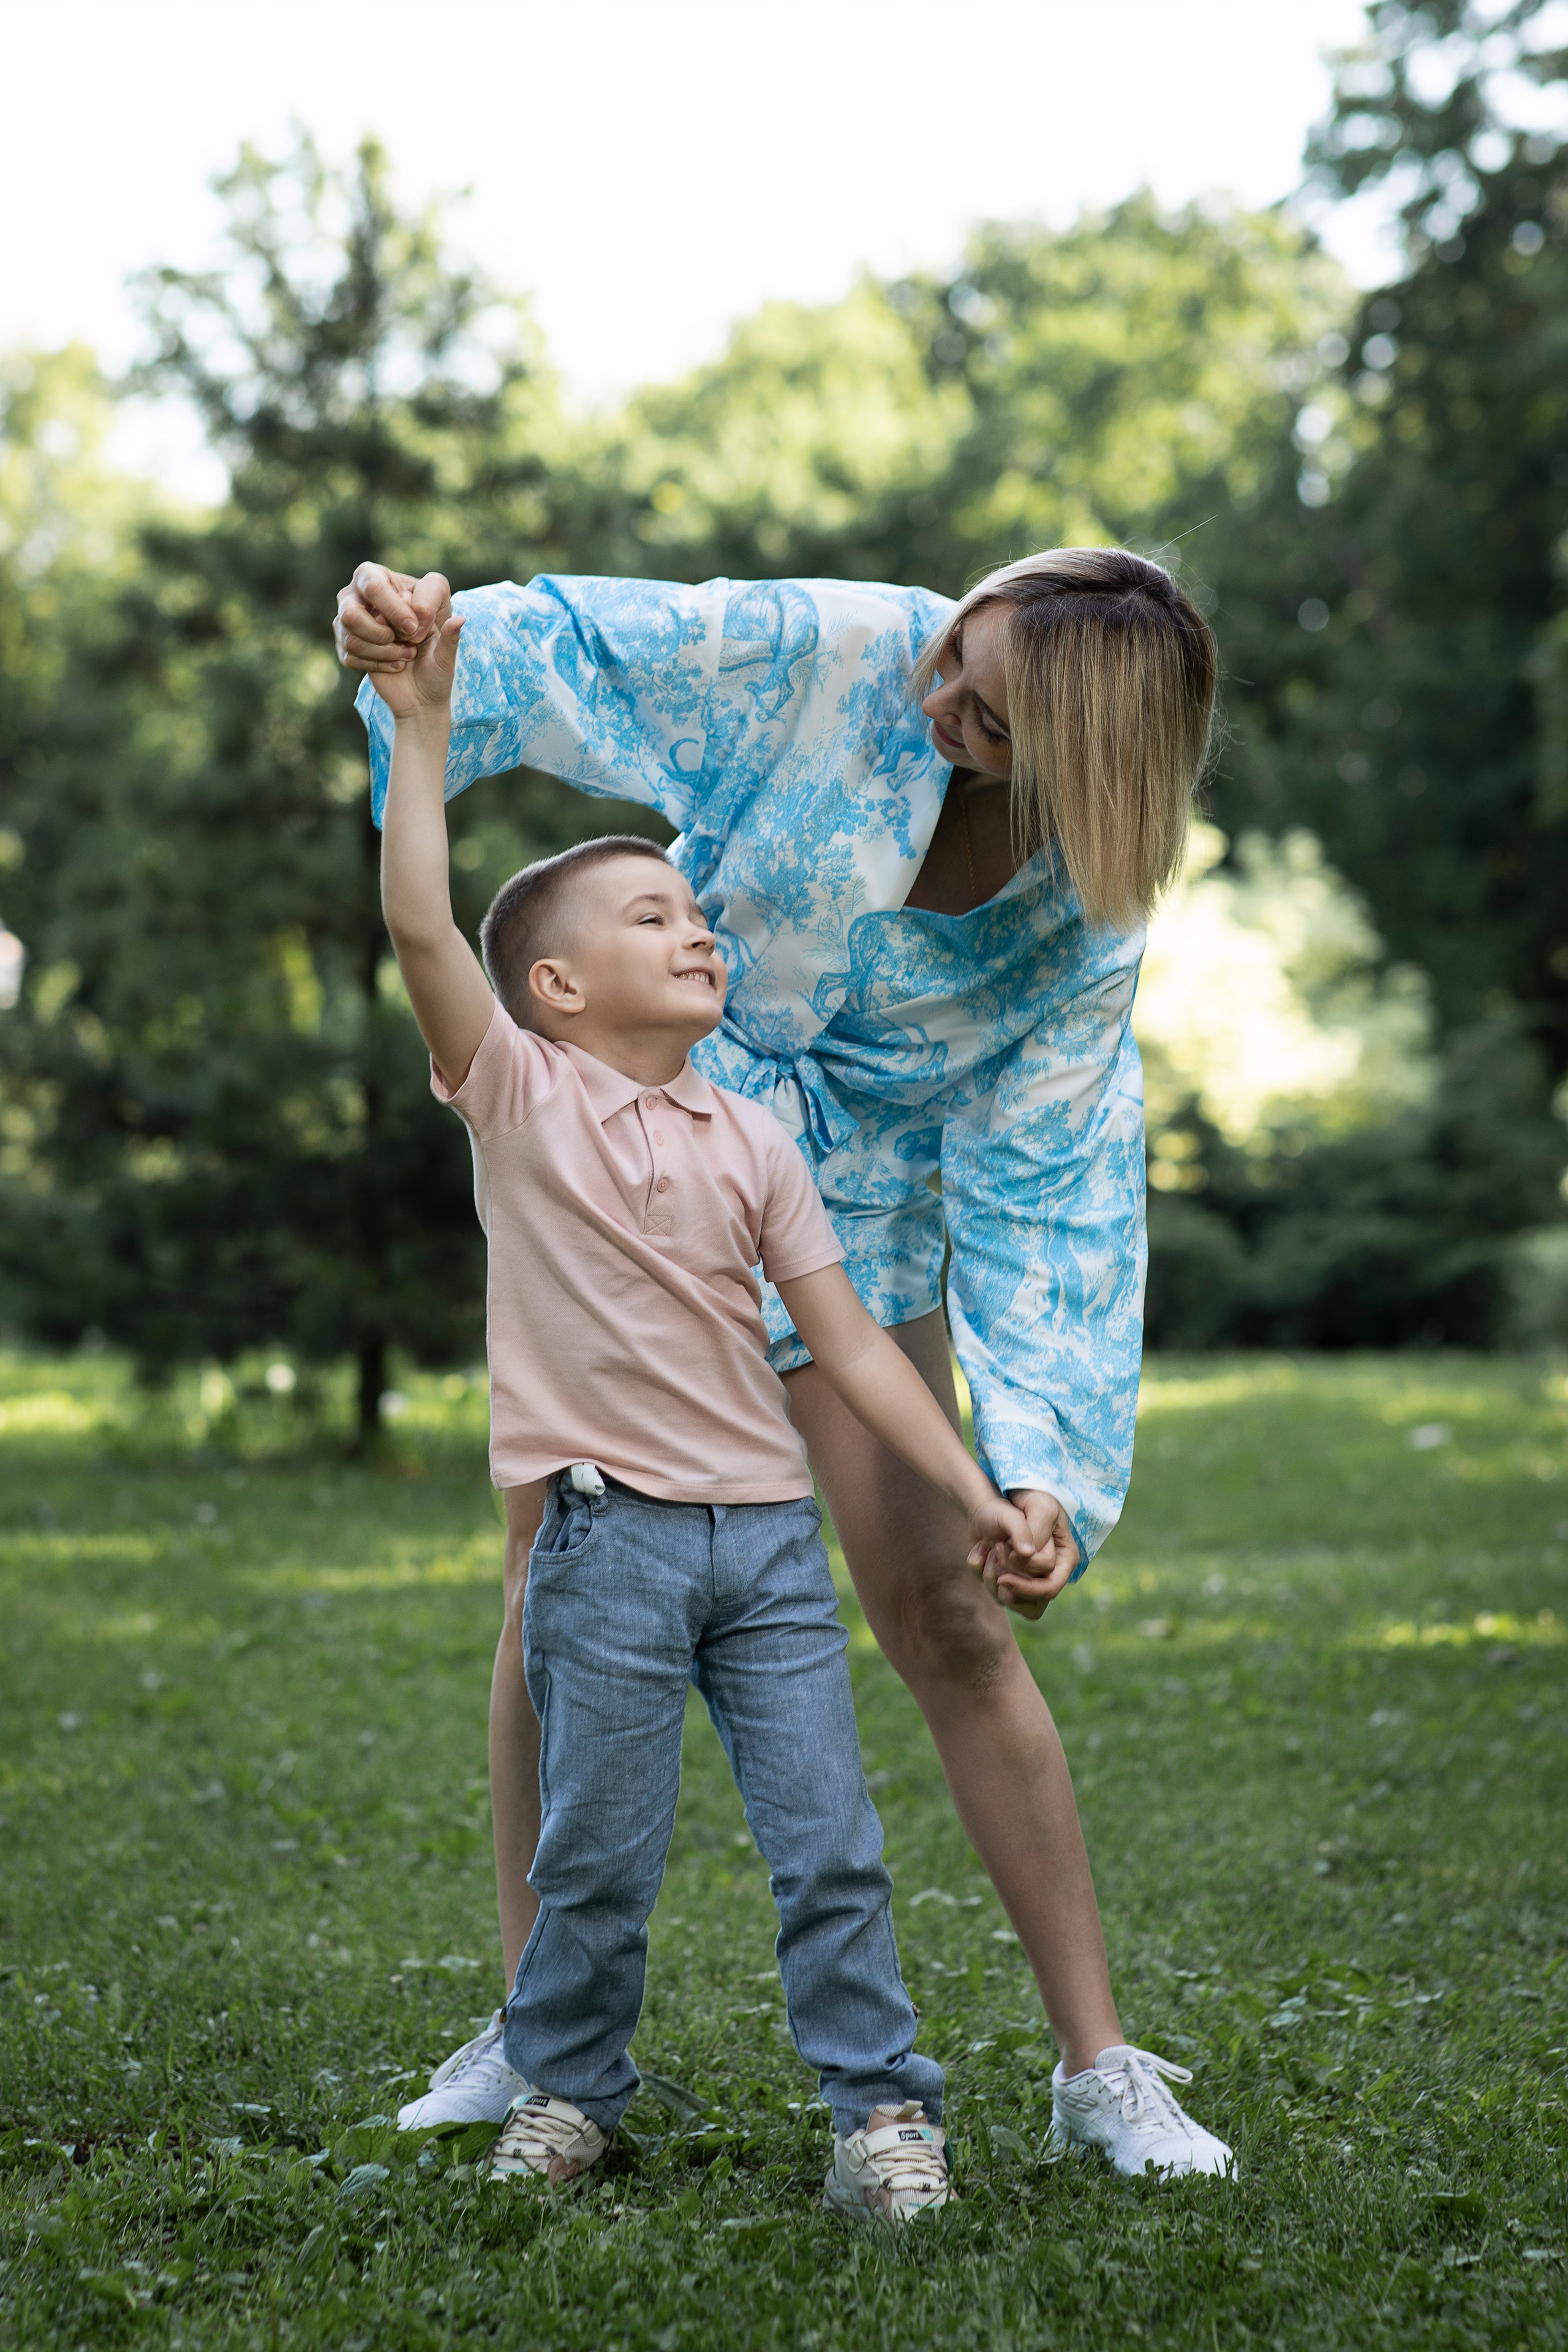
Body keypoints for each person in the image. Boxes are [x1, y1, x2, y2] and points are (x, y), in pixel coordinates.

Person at [337, 544, 1235, 2179]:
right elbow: (602, 650)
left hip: (858, 1207)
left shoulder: (1089, 918)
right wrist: (422, 640)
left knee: (947, 1610)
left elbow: (1053, 1184)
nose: (939, 691)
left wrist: (1027, 1468)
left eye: (990, 703)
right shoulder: (834, 649)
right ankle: (537, 2038)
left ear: (1094, 753)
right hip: (671, 1138)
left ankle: (1099, 2065)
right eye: (959, 648)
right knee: (563, 1566)